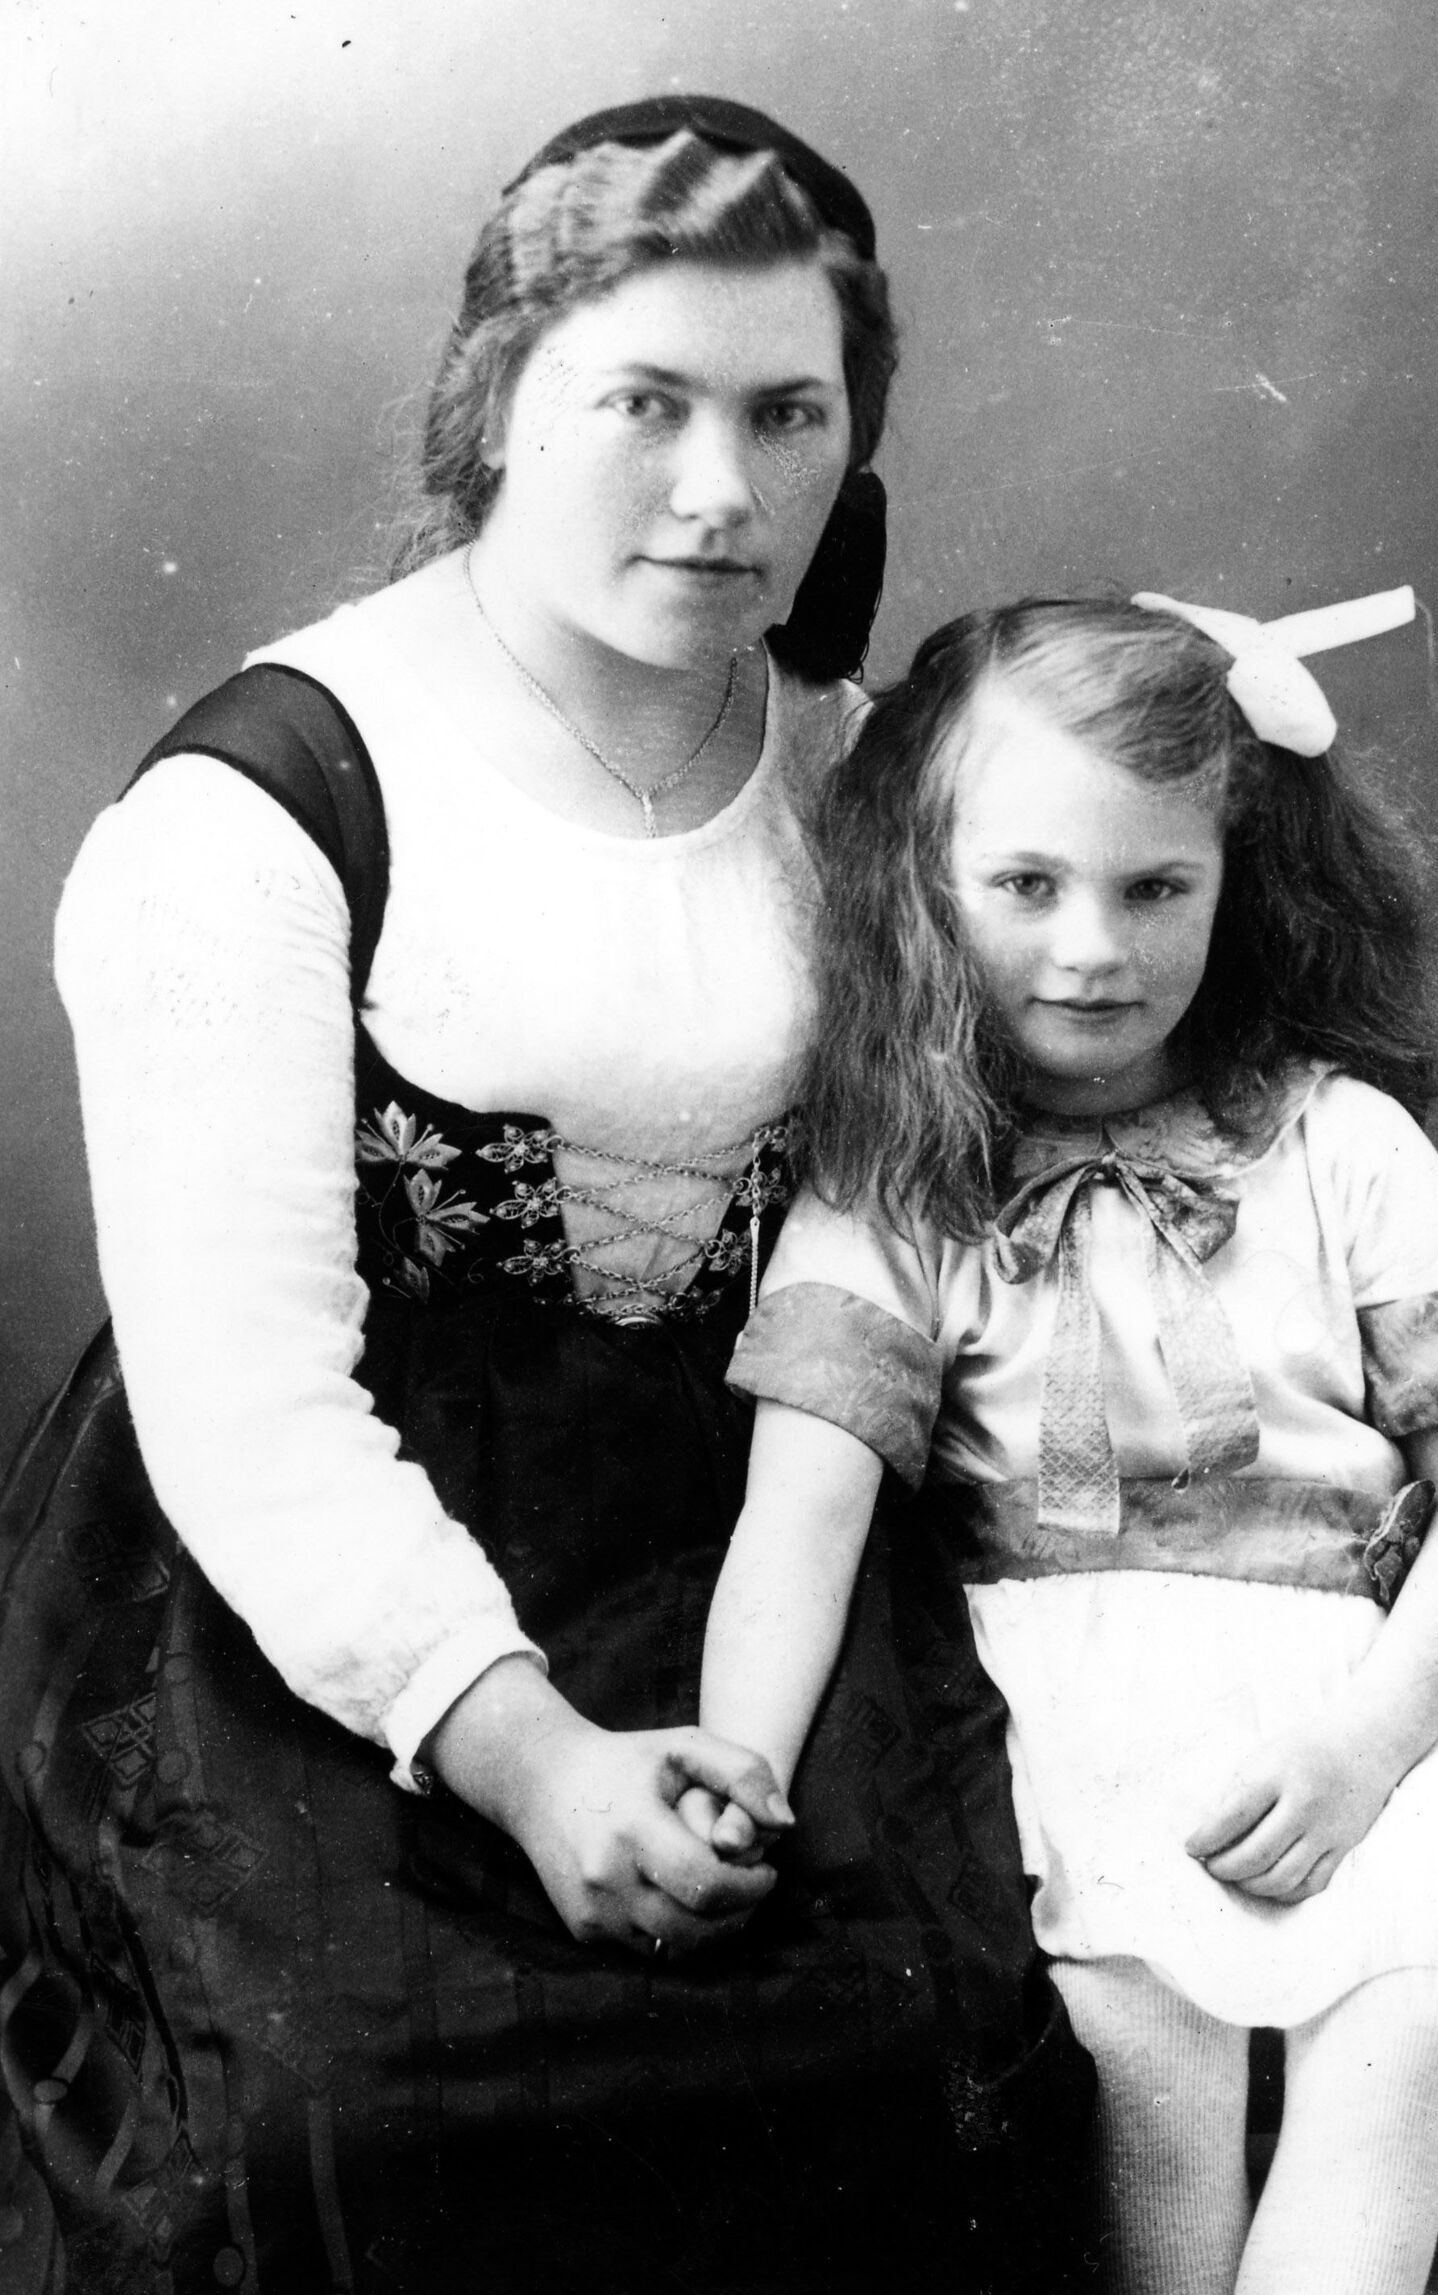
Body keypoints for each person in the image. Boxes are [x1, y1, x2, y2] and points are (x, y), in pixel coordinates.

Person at [0, 101, 1085, 2295]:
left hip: (756, 1507)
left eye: (788, 415)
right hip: (346, 1567)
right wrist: (526, 1758)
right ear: (497, 399)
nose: (722, 490)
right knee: (349, 2116)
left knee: (934, 2041)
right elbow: (248, 1403)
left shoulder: (839, 746)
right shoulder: (262, 806)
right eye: (643, 403)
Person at [697, 590, 1438, 2295]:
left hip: (1376, 1694)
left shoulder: (1338, 1140)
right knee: (1139, 2071)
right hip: (1070, 1707)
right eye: (1027, 886)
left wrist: (1369, 1746)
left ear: (1241, 878)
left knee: (1404, 2022)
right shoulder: (895, 1192)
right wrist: (736, 1767)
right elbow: (799, 1524)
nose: (1094, 949)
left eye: (1156, 887)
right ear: (924, 885)